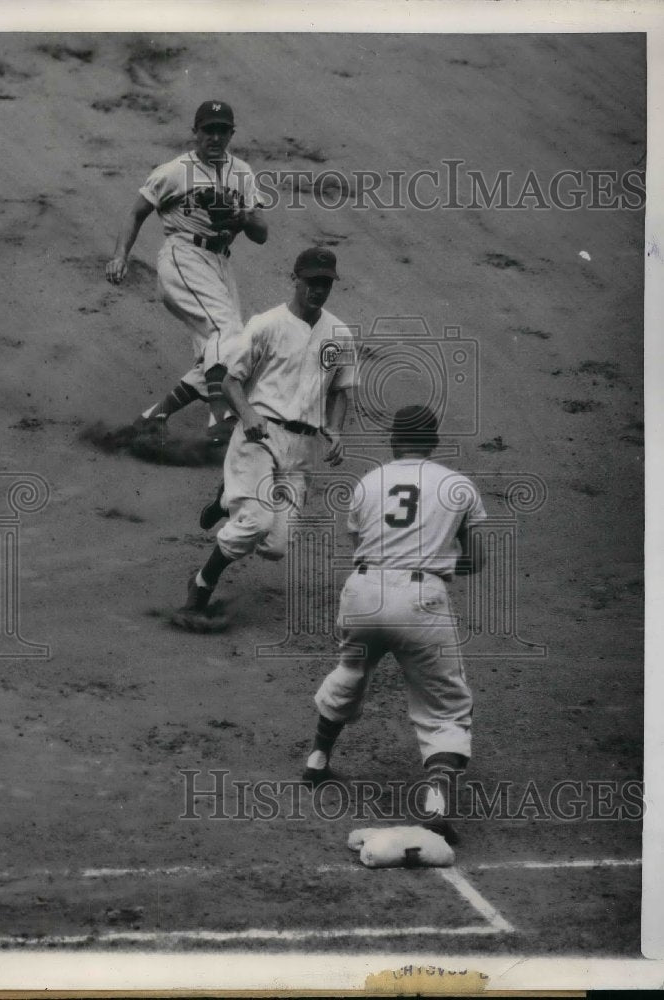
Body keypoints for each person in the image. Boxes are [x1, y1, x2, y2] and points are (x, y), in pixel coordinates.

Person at [302, 405, 487, 823]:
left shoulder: (368, 483)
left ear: (393, 440)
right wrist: (435, 563)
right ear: (435, 442)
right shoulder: (457, 485)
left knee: (350, 671)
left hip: (363, 591)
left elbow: (362, 543)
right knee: (445, 705)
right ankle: (435, 801)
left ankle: (316, 758)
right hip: (421, 599)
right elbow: (475, 561)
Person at [171, 247, 356, 629]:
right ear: (296, 279)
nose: (319, 290)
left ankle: (227, 498)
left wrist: (334, 429)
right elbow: (229, 379)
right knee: (253, 524)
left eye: (326, 284)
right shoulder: (266, 324)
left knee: (275, 547)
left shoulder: (339, 334)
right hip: (260, 436)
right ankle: (201, 585)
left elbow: (341, 389)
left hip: (302, 450)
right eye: (312, 282)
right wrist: (249, 413)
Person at [105, 100, 267, 440]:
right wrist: (121, 255)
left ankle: (155, 417)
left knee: (224, 351)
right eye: (208, 130)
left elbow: (261, 233)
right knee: (228, 335)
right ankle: (218, 416)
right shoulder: (174, 171)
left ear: (231, 134)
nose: (215, 137)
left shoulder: (243, 173)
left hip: (220, 264)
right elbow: (136, 212)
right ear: (195, 132)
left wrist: (241, 218)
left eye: (222, 130)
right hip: (184, 255)